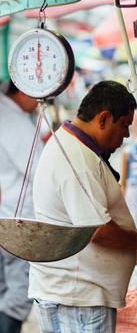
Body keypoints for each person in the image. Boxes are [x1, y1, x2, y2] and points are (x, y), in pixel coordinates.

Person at [29, 81, 137, 332]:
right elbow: (97, 230)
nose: (126, 135)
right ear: (104, 119)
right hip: (78, 300)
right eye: (124, 126)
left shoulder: (74, 147)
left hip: (74, 295)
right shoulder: (76, 158)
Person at [0, 81, 40, 333]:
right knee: (17, 292)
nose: (39, 103)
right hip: (15, 220)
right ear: (23, 91)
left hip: (7, 214)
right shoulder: (12, 120)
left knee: (5, 289)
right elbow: (39, 169)